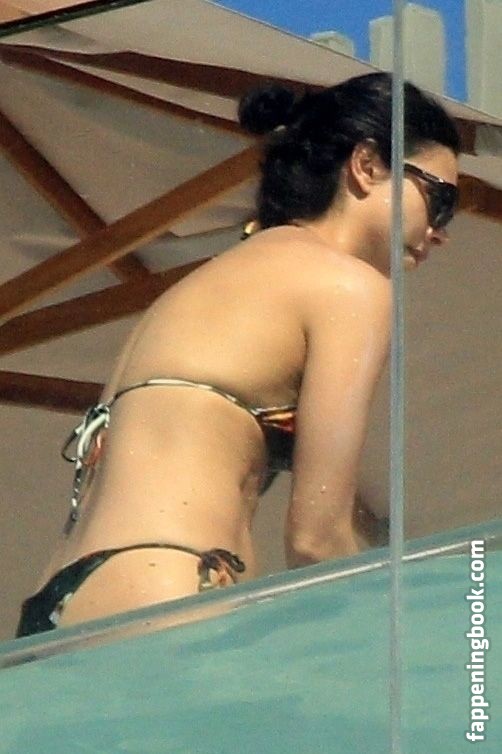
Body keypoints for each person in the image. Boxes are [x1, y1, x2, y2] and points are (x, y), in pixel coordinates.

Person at [16, 72, 460, 637]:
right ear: (367, 165)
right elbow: (316, 538)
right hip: (170, 585)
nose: (441, 232)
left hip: (55, 610)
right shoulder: (349, 287)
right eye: (440, 199)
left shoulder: (201, 286)